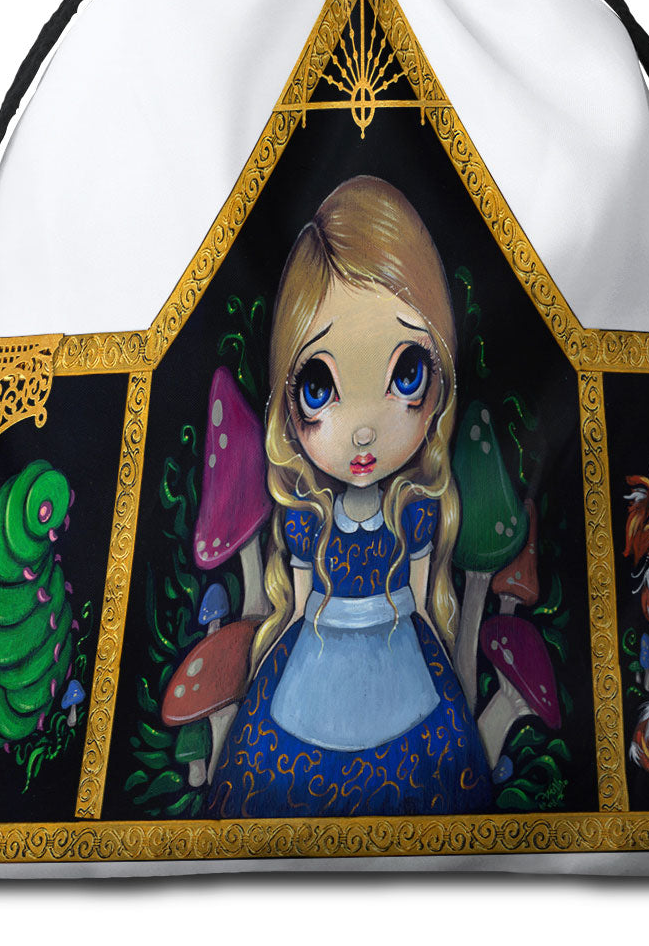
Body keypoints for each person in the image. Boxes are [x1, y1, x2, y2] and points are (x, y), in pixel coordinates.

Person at [204, 175, 492, 818]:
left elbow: (423, 607)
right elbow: (298, 609)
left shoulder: (415, 511)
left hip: (403, 661)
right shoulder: (307, 520)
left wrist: (446, 678)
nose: (362, 432)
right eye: (318, 386)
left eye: (406, 374)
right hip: (313, 660)